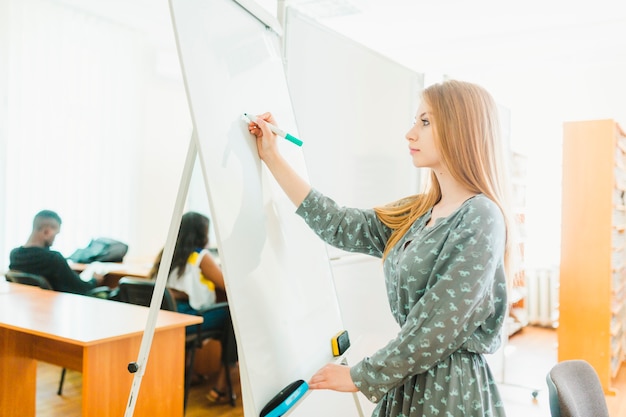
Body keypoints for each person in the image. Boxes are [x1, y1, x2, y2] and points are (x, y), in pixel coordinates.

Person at [247, 80, 513, 417]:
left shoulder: (481, 215)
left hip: (448, 392)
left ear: (461, 130)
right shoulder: (419, 212)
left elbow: (438, 323)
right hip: (407, 383)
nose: (410, 133)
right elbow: (339, 225)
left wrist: (362, 375)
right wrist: (272, 155)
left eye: (425, 122)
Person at [149, 211, 233, 404]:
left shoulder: (167, 253)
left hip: (167, 318)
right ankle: (222, 383)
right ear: (202, 233)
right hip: (189, 319)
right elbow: (227, 285)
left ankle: (190, 371)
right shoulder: (201, 257)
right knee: (235, 316)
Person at [9, 209, 105, 295]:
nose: (54, 239)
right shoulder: (53, 258)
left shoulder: (14, 255)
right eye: (56, 234)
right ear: (47, 232)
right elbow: (81, 289)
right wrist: (94, 280)